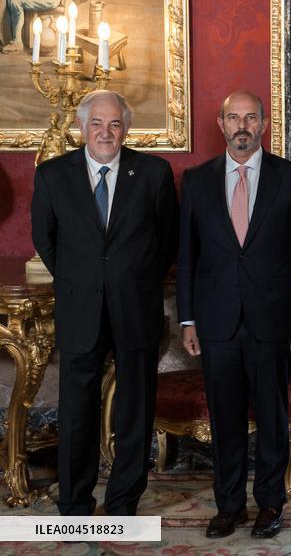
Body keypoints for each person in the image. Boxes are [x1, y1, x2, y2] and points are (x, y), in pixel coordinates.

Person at [176, 90, 291, 540]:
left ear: (264, 124)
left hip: (273, 320)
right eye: (234, 117)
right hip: (216, 321)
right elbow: (187, 256)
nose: (242, 125)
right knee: (225, 418)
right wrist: (187, 319)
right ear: (221, 124)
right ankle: (229, 506)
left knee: (273, 417)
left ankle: (270, 504)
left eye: (251, 117)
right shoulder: (196, 181)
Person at [31, 89, 178, 516]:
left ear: (126, 128)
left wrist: (134, 278)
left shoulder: (153, 173)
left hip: (136, 306)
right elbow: (46, 240)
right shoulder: (53, 175)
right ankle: (75, 504)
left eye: (115, 124)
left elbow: (168, 241)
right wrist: (83, 280)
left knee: (135, 410)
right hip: (80, 309)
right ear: (82, 127)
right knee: (76, 411)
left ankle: (123, 502)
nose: (105, 132)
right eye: (97, 123)